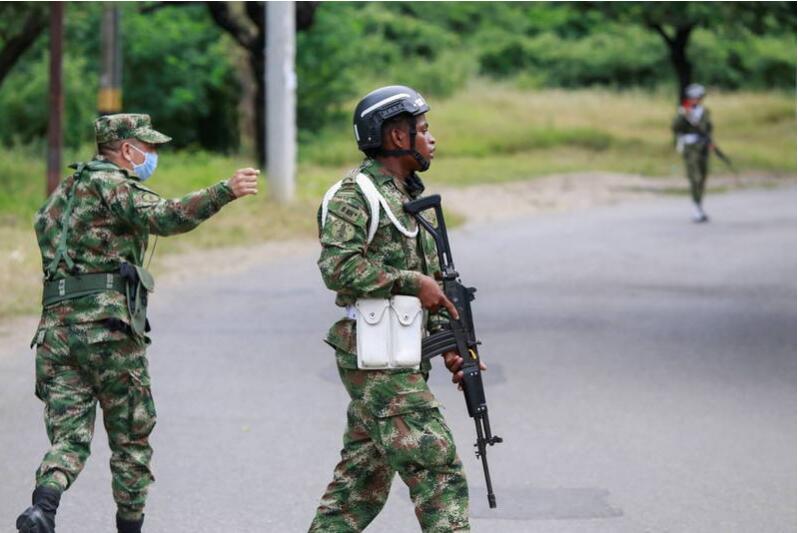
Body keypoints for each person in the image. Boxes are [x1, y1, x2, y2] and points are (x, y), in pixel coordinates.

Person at [16, 113, 259, 533]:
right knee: (130, 438)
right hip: (107, 332)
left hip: (56, 333)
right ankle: (129, 527)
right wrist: (225, 191)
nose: (153, 155)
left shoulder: (64, 193)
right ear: (127, 150)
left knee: (70, 437)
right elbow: (167, 216)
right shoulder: (113, 185)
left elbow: (47, 233)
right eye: (148, 148)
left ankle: (44, 507)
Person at [309, 85, 478, 532]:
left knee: (358, 486)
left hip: (400, 351)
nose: (431, 138)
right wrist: (411, 283)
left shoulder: (408, 197)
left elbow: (432, 285)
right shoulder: (354, 195)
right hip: (375, 355)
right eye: (423, 129)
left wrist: (450, 343)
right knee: (439, 472)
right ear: (397, 137)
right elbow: (338, 268)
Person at [672, 83, 714, 223]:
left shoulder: (705, 111)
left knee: (702, 176)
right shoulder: (684, 112)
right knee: (694, 177)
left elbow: (709, 129)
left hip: (703, 146)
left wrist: (710, 143)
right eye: (693, 97)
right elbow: (675, 128)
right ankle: (696, 207)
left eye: (698, 97)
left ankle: (699, 205)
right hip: (690, 147)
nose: (695, 100)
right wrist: (684, 116)